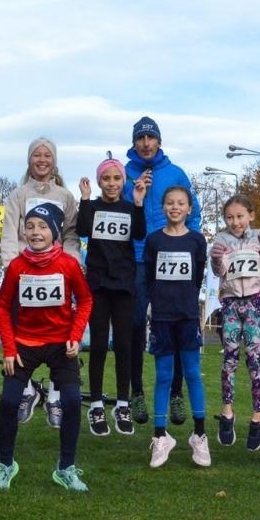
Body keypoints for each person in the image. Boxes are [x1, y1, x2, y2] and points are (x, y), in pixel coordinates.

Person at [0, 203, 94, 491]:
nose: (36, 232)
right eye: (30, 226)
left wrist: (75, 336)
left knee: (72, 402)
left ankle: (66, 468)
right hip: (24, 344)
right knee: (9, 402)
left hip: (61, 345)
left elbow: (86, 300)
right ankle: (5, 465)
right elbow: (2, 306)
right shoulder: (17, 266)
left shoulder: (69, 264)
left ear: (55, 232)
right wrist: (9, 349)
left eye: (43, 226)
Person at [0, 137, 82, 429]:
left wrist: (69, 264)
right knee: (22, 334)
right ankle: (25, 389)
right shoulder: (18, 194)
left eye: (47, 155)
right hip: (24, 273)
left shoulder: (65, 196)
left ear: (54, 160)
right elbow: (10, 232)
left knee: (61, 334)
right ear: (29, 160)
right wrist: (13, 268)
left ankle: (56, 395)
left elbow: (71, 234)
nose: (42, 160)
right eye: (37, 155)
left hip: (57, 273)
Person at [123, 116, 199, 426]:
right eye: (140, 138)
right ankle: (137, 392)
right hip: (138, 258)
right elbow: (120, 211)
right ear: (134, 143)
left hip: (171, 256)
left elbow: (193, 213)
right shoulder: (124, 173)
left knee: (176, 323)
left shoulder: (175, 173)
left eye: (150, 138)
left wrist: (190, 244)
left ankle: (176, 394)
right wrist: (134, 192)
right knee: (135, 325)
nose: (145, 143)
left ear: (159, 141)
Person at [76, 157, 148, 436]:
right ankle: (96, 405)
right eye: (106, 179)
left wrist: (139, 203)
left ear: (123, 182)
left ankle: (122, 404)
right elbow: (82, 230)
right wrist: (84, 200)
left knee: (123, 345)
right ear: (99, 182)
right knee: (98, 346)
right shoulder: (93, 207)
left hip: (123, 285)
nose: (111, 183)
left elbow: (139, 234)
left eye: (117, 178)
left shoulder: (129, 208)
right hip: (98, 285)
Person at [143, 184, 209, 468]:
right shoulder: (154, 240)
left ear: (189, 209)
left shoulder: (197, 240)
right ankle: (160, 436)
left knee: (193, 373)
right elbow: (149, 277)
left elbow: (197, 277)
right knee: (163, 376)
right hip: (162, 317)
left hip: (187, 317)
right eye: (170, 202)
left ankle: (200, 434)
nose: (175, 207)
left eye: (181, 203)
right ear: (163, 207)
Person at [209, 193, 260, 453]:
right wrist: (216, 259)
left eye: (239, 216)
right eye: (229, 217)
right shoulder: (221, 239)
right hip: (230, 303)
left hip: (255, 303)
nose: (235, 222)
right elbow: (218, 272)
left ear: (251, 215)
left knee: (254, 358)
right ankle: (227, 411)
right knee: (229, 358)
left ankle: (259, 414)